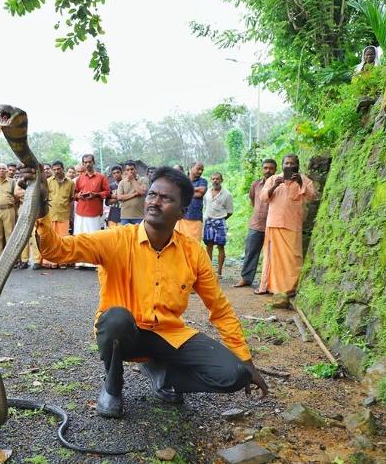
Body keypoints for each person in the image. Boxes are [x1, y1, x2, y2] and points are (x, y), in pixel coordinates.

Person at [23, 165, 268, 418]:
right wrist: (41, 206)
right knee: (115, 318)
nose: (155, 202)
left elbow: (220, 309)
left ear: (182, 211)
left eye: (166, 198)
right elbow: (56, 251)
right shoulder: (116, 239)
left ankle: (164, 375)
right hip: (126, 334)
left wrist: (245, 360)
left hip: (168, 334)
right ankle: (113, 386)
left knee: (235, 375)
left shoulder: (193, 252)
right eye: (152, 194)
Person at [256, 155, 317, 296]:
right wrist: (275, 185)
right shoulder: (272, 179)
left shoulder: (305, 180)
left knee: (294, 259)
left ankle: (291, 288)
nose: (289, 166)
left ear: (297, 165)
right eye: (286, 163)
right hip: (274, 223)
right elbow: (263, 198)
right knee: (273, 259)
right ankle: (272, 287)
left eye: (292, 163)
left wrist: (301, 183)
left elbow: (312, 196)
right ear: (282, 165)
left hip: (293, 224)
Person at [235, 159, 277, 288]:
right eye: (265, 168)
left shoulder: (280, 184)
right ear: (262, 169)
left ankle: (271, 283)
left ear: (275, 170)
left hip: (273, 225)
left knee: (272, 255)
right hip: (256, 224)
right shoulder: (256, 185)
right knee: (251, 252)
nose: (268, 171)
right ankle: (246, 279)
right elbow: (253, 200)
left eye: (271, 168)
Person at [73, 154, 111, 268]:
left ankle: (93, 263)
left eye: (89, 162)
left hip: (94, 212)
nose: (87, 164)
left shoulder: (101, 177)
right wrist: (79, 195)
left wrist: (96, 195)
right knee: (80, 237)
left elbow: (107, 192)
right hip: (80, 212)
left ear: (93, 162)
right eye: (85, 162)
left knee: (93, 237)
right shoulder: (79, 178)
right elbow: (74, 194)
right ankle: (80, 262)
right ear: (83, 164)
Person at [42, 160, 75, 269]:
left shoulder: (70, 182)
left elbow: (71, 199)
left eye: (58, 169)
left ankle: (62, 261)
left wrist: (70, 216)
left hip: (64, 214)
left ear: (63, 169)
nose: (56, 171)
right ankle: (51, 261)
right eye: (54, 169)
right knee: (51, 239)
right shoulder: (48, 181)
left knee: (63, 240)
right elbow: (45, 197)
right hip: (51, 214)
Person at [203, 172, 234, 277]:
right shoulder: (206, 192)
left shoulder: (227, 194)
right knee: (209, 246)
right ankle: (209, 270)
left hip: (220, 222)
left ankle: (219, 271)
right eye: (213, 179)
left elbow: (230, 211)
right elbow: (205, 206)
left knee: (220, 246)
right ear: (211, 180)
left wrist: (220, 219)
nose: (215, 181)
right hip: (208, 221)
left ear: (221, 180)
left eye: (217, 179)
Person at [0, 163, 21, 263]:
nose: (2, 170)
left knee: (10, 236)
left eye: (4, 169)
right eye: (0, 169)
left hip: (9, 210)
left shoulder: (12, 182)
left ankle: (11, 260)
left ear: (7, 171)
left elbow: (16, 196)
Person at [175, 162, 206, 240]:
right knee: (179, 242)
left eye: (202, 170)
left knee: (194, 244)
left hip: (195, 217)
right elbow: (177, 192)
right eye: (198, 169)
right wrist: (195, 190)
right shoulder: (183, 180)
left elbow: (201, 192)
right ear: (191, 168)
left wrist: (186, 191)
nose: (200, 171)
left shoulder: (203, 181)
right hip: (181, 217)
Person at [116, 160, 149, 225]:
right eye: (127, 170)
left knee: (139, 234)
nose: (130, 171)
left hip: (140, 216)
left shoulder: (143, 180)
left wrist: (132, 179)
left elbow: (141, 192)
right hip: (125, 216)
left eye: (132, 169)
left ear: (136, 169)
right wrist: (135, 194)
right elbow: (119, 197)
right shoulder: (122, 182)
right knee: (125, 235)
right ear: (125, 171)